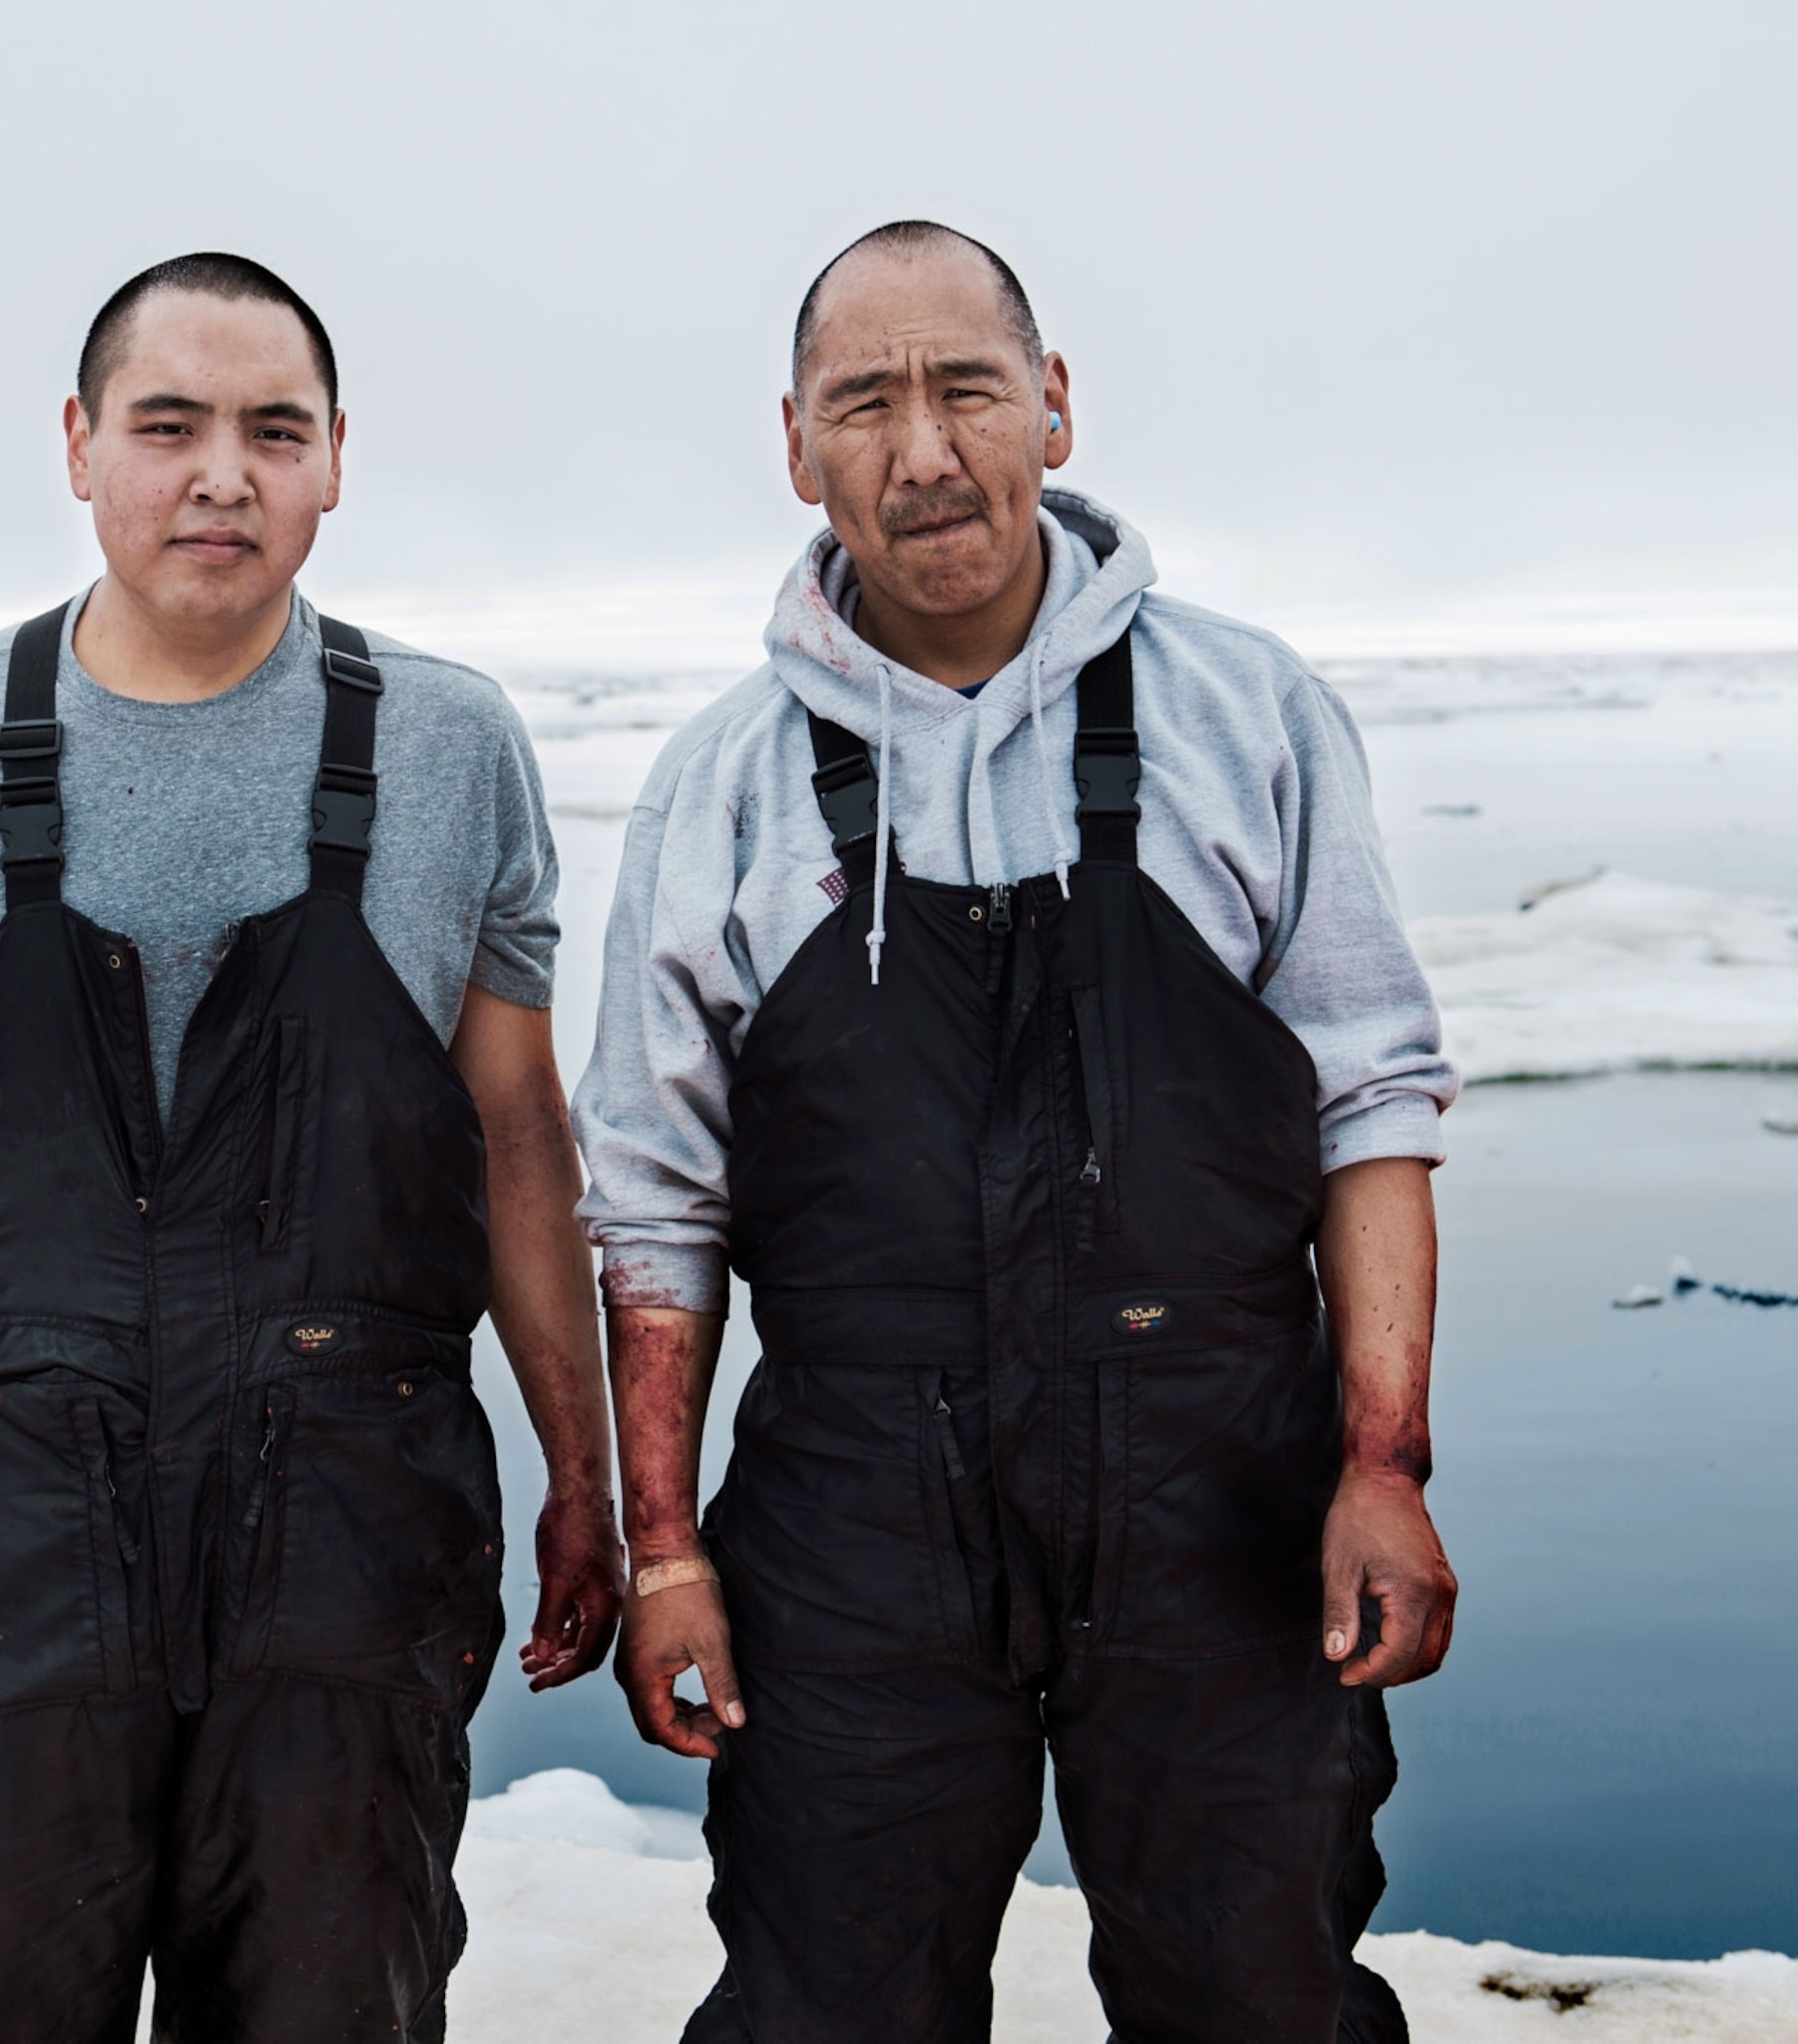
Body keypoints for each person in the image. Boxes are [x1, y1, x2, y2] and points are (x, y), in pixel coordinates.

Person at [0, 252, 626, 2044]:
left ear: (335, 460)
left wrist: (588, 1481)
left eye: (274, 432)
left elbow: (519, 1138)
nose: (221, 477)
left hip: (351, 1540)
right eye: (168, 426)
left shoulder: (452, 746)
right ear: (79, 446)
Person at [575, 221, 1462, 2042]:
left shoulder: (1247, 715)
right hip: (855, 1514)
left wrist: (1386, 1464)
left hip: (1220, 1498)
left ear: (1052, 406)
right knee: (831, 2007)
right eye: (864, 403)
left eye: (967, 389)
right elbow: (657, 1204)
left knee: (1258, 1997)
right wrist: (666, 1552)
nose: (923, 450)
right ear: (798, 447)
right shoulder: (723, 785)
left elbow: (1369, 1107)